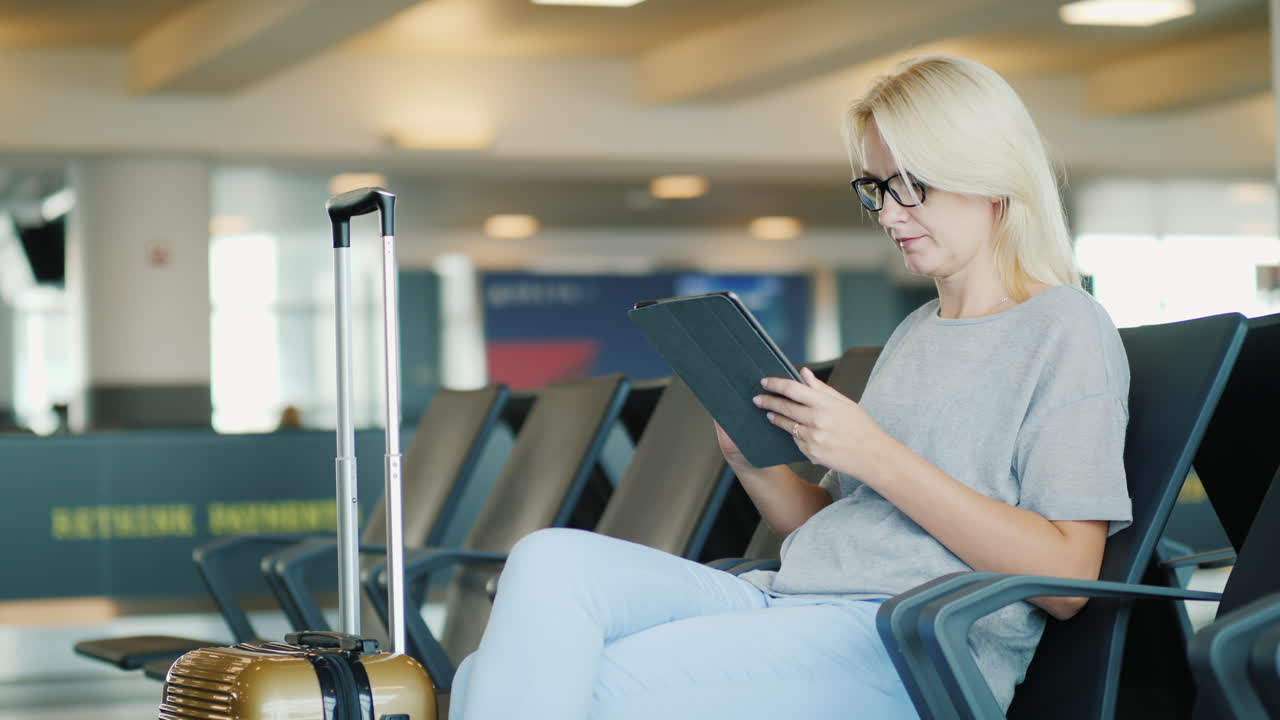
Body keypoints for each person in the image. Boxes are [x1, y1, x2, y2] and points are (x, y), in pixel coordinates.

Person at [445, 55, 1133, 719]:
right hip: (792, 601)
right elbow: (826, 530)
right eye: (876, 187)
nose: (890, 215)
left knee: (559, 688)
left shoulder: (1065, 325)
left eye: (911, 184)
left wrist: (874, 453)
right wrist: (755, 462)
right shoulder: (918, 331)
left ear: (990, 177)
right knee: (543, 570)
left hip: (905, 644)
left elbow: (1068, 576)